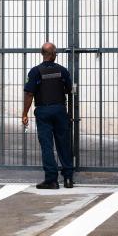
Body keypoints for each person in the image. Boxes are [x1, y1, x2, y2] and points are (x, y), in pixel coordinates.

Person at [22, 42, 74, 189]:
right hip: (59, 110)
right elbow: (70, 90)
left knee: (47, 146)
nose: (56, 54)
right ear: (52, 54)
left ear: (43, 54)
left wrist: (24, 113)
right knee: (64, 144)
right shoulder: (63, 71)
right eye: (55, 52)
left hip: (43, 111)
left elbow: (29, 93)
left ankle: (51, 180)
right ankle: (68, 178)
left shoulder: (35, 72)